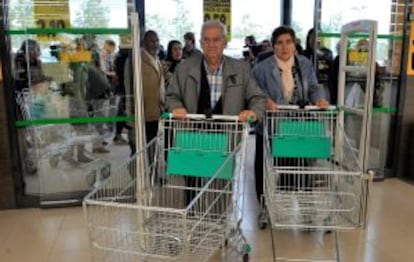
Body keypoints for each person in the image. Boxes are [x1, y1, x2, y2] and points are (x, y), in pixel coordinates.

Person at [166, 20, 266, 205]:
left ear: (225, 41)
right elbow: (171, 96)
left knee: (221, 190)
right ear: (201, 42)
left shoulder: (241, 69)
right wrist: (175, 107)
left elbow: (258, 98)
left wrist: (252, 112)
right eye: (206, 40)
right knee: (191, 187)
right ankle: (193, 223)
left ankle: (218, 227)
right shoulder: (184, 68)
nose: (211, 44)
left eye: (216, 40)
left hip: (225, 140)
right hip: (191, 139)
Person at [252, 25, 329, 205]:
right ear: (273, 46)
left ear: (294, 44)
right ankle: (264, 207)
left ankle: (303, 206)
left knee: (300, 166)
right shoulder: (261, 69)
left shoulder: (304, 64)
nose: (284, 47)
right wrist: (265, 101)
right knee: (264, 167)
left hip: (297, 125)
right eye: (279, 43)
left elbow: (313, 87)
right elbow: (253, 92)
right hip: (271, 126)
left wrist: (319, 99)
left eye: (288, 42)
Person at [125, 30, 165, 155]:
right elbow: (129, 85)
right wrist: (131, 109)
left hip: (156, 112)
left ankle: (151, 173)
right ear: (144, 42)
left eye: (157, 40)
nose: (156, 44)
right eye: (152, 41)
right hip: (141, 112)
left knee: (152, 146)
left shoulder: (156, 59)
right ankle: (137, 173)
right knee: (138, 148)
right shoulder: (136, 60)